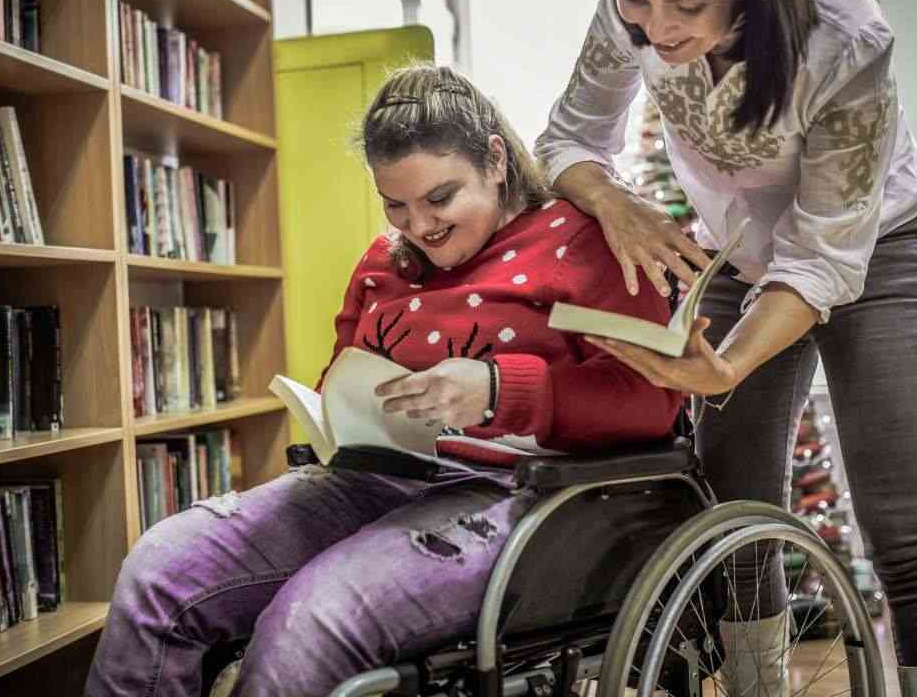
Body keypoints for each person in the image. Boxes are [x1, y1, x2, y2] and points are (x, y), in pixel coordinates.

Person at [83, 63, 681, 697]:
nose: (419, 227)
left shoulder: (584, 243)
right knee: (160, 570)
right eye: (395, 204)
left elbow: (649, 403)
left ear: (497, 160)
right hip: (371, 478)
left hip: (522, 497)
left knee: (311, 621)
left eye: (440, 198)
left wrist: (501, 388)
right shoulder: (384, 261)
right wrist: (339, 412)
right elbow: (348, 374)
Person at [535, 0, 917, 695]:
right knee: (734, 511)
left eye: (687, 7)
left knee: (909, 528)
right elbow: (567, 139)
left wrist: (732, 364)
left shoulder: (844, 38)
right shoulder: (631, 7)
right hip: (738, 255)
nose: (655, 30)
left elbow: (822, 257)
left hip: (876, 250)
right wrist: (617, 202)